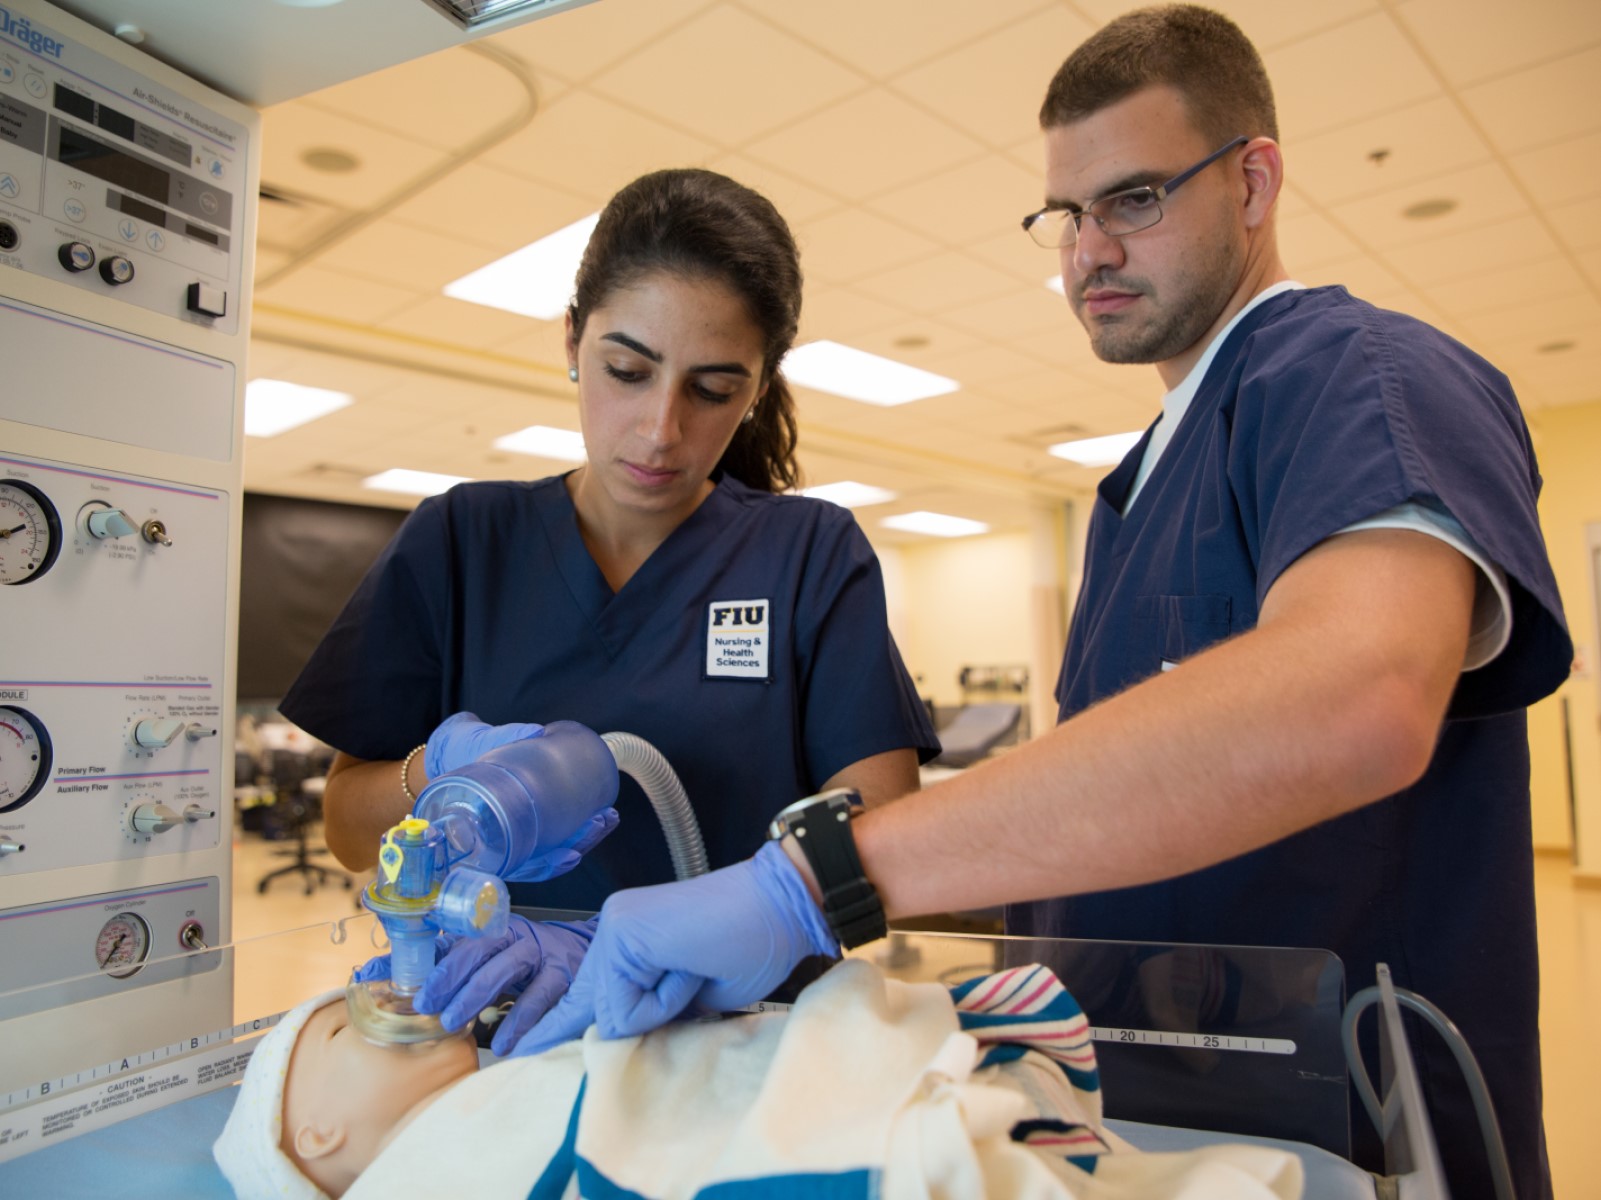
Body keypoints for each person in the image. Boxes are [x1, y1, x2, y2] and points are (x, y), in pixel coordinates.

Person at [520, 10, 1570, 1200]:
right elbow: (1111, 811)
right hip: (1162, 1127)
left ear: (1252, 182)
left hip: (1353, 1141)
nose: (1086, 252)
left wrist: (812, 878)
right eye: (1063, 216)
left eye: (1131, 199)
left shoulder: (1359, 376)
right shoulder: (1142, 482)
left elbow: (1357, 694)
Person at [279, 169, 938, 900]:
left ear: (757, 388)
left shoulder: (808, 554)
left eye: (713, 390)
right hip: (504, 995)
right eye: (626, 370)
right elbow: (346, 830)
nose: (661, 431)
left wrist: (761, 912)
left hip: (751, 1007)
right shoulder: (462, 541)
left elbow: (887, 823)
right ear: (571, 340)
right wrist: (440, 771)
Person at [212, 964, 1303, 1199]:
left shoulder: (514, 1071)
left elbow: (689, 1072)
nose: (404, 1006)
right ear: (311, 1138)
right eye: (347, 1027)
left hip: (832, 1071)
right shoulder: (425, 1177)